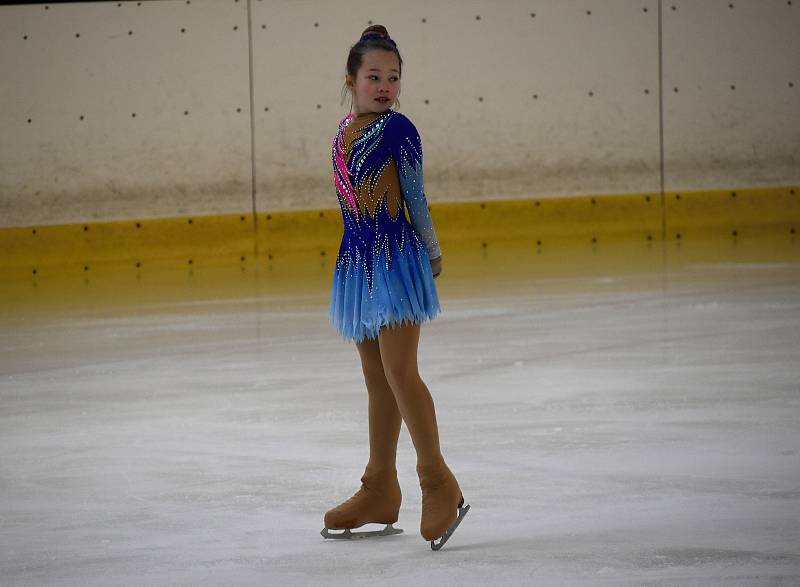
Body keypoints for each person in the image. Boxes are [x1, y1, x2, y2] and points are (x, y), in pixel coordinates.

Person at [321, 25, 469, 550]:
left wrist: (431, 252)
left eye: (393, 77)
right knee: (375, 377)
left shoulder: (399, 129)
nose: (384, 86)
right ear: (352, 80)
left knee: (400, 370)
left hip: (394, 260)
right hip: (357, 264)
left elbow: (416, 197)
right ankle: (379, 486)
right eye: (374, 76)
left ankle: (438, 480)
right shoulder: (341, 134)